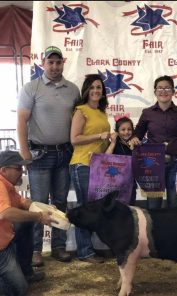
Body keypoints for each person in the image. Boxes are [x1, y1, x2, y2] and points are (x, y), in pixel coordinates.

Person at [17, 45, 80, 267]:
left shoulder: (73, 90)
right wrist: (24, 151)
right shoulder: (31, 88)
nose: (54, 66)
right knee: (39, 204)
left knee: (61, 202)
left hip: (65, 153)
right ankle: (35, 250)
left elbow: (78, 122)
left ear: (63, 63)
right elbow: (21, 120)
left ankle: (59, 246)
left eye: (58, 62)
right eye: (50, 62)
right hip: (39, 155)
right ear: (42, 64)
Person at [131, 75, 177, 209]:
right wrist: (134, 138)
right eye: (160, 88)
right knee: (153, 206)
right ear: (155, 92)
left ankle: (175, 230)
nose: (163, 91)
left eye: (167, 88)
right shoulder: (147, 113)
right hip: (153, 165)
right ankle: (154, 230)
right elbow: (137, 134)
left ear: (173, 92)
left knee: (175, 205)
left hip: (176, 164)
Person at [0, 151, 56, 295]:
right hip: (2, 250)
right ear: (4, 170)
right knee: (18, 289)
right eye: (18, 168)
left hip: (6, 244)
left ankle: (26, 271)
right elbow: (6, 213)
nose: (22, 171)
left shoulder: (7, 185)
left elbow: (23, 202)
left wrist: (46, 208)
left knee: (25, 223)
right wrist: (38, 216)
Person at [69, 74, 111, 263]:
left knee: (94, 208)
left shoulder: (102, 113)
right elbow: (74, 139)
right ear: (87, 90)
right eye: (93, 87)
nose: (96, 90)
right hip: (82, 165)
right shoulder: (81, 110)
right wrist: (99, 136)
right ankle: (84, 251)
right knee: (85, 208)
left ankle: (91, 248)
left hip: (98, 167)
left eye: (99, 87)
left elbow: (103, 139)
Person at [105, 116, 137, 205]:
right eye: (123, 129)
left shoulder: (135, 144)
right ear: (117, 131)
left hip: (131, 184)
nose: (126, 132)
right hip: (115, 185)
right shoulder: (114, 143)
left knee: (130, 209)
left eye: (129, 129)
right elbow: (105, 159)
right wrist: (113, 142)